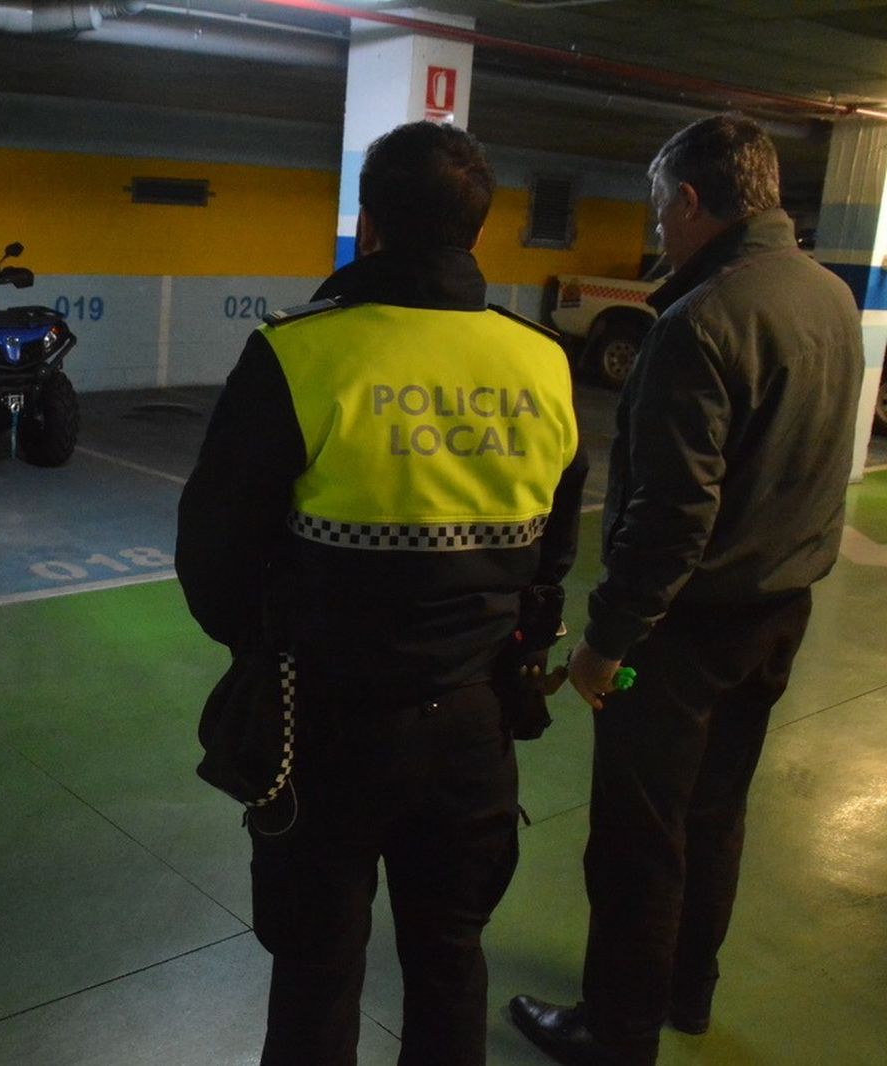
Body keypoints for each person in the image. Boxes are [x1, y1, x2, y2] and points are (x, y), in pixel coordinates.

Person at [176, 121, 586, 1066]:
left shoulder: (299, 354)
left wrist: (264, 649)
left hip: (325, 724)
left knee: (318, 967)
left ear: (370, 220)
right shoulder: (541, 363)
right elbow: (553, 555)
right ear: (477, 233)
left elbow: (213, 553)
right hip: (475, 730)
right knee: (449, 957)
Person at [509, 114, 866, 1066]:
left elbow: (671, 519)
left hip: (679, 639)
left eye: (662, 208)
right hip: (778, 618)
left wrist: (605, 643)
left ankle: (616, 1032)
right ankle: (686, 994)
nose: (659, 227)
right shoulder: (830, 297)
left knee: (638, 836)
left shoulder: (699, 322)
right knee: (714, 814)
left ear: (696, 203)